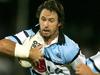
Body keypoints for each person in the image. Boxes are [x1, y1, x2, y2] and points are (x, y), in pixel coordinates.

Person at [0, 0, 97, 75]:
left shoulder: (69, 48)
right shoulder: (30, 35)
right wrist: (28, 53)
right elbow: (2, 45)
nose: (46, 24)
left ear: (59, 23)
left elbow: (86, 71)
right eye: (43, 19)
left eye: (51, 20)